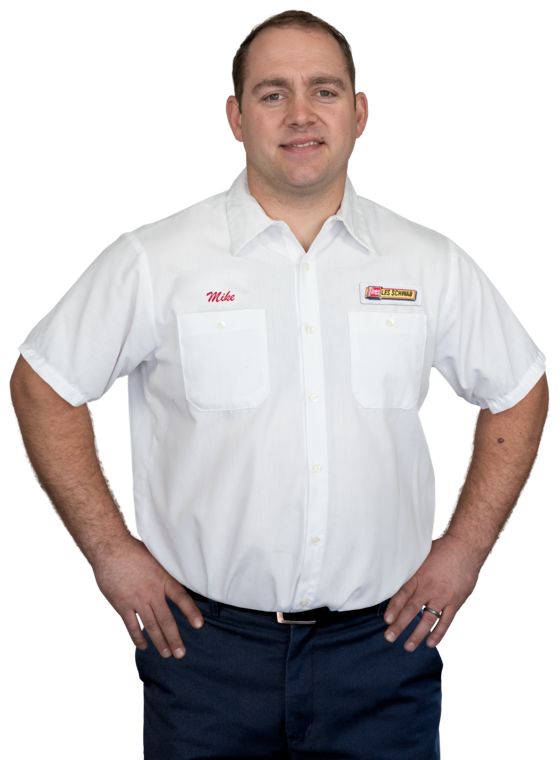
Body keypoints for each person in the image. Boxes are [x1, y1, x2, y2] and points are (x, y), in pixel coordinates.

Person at [9, 8, 549, 760]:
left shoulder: (430, 263)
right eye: (273, 93)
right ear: (235, 117)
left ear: (359, 113)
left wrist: (463, 551)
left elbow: (519, 388)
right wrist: (111, 553)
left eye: (324, 91)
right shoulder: (155, 259)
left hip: (384, 651)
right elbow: (44, 385)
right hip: (203, 654)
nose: (301, 114)